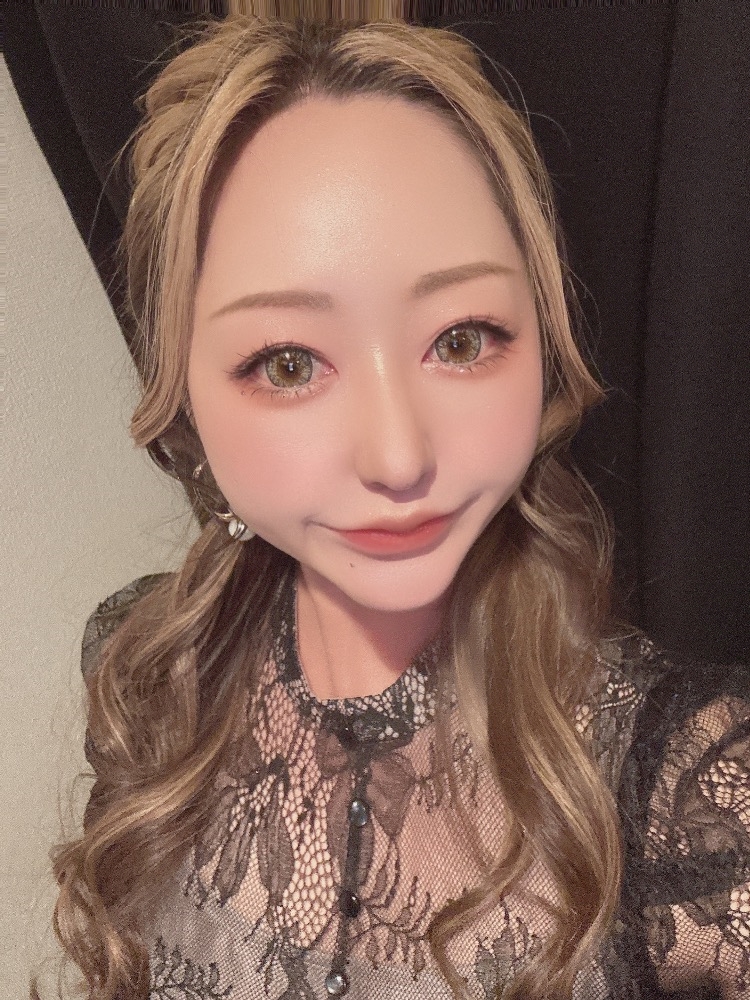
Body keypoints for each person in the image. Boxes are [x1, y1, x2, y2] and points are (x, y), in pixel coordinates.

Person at [40, 15, 750, 1000]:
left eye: (461, 340)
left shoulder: (690, 789)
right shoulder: (149, 677)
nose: (399, 455)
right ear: (182, 392)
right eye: (289, 363)